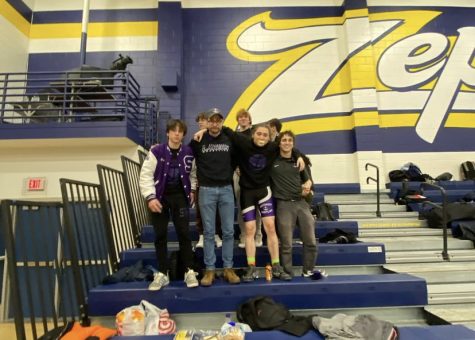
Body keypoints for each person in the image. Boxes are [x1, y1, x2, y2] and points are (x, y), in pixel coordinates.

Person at [196, 122, 304, 282]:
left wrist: (299, 155)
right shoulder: (243, 142)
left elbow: (288, 147)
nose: (262, 137)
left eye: (265, 135)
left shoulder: (273, 147)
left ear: (270, 137)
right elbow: (224, 129)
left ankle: (276, 265)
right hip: (247, 192)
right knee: (250, 229)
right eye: (259, 134)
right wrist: (205, 130)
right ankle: (251, 267)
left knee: (270, 227)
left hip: (264, 191)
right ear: (253, 134)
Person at [139, 119, 198, 290]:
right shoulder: (156, 151)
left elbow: (193, 173)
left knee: (184, 234)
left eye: (180, 131)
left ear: (183, 134)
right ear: (168, 133)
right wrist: (150, 197)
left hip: (180, 197)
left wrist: (193, 190)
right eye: (173, 130)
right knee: (160, 235)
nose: (177, 133)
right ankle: (163, 273)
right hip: (160, 198)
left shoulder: (188, 152)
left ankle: (189, 270)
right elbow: (146, 175)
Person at [189, 108, 241, 286]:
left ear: (222, 122)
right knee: (209, 233)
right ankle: (209, 270)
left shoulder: (229, 139)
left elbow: (237, 157)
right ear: (207, 122)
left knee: (228, 231)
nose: (215, 124)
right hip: (206, 190)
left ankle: (228, 268)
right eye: (211, 120)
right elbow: (186, 155)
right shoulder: (198, 140)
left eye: (218, 120)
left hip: (226, 189)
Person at [270, 130, 318, 277]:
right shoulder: (273, 161)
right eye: (284, 140)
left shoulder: (299, 161)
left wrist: (308, 185)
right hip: (284, 205)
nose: (286, 143)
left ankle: (308, 270)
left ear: (293, 143)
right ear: (279, 143)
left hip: (301, 204)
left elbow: (309, 180)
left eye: (290, 140)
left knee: (310, 241)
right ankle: (287, 272)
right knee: (286, 244)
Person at [192, 112, 222, 249]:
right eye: (200, 122)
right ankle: (202, 235)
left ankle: (216, 234)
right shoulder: (197, 138)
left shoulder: (220, 136)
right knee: (200, 210)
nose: (201, 124)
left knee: (217, 210)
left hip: (218, 181)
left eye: (203, 121)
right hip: (201, 181)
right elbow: (186, 151)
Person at [233, 108, 263, 248]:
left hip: (255, 174)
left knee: (256, 206)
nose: (243, 119)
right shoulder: (234, 136)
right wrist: (236, 167)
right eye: (240, 117)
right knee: (241, 206)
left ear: (250, 119)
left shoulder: (256, 133)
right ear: (238, 120)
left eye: (245, 117)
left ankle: (258, 236)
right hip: (239, 174)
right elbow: (232, 155)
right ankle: (244, 236)